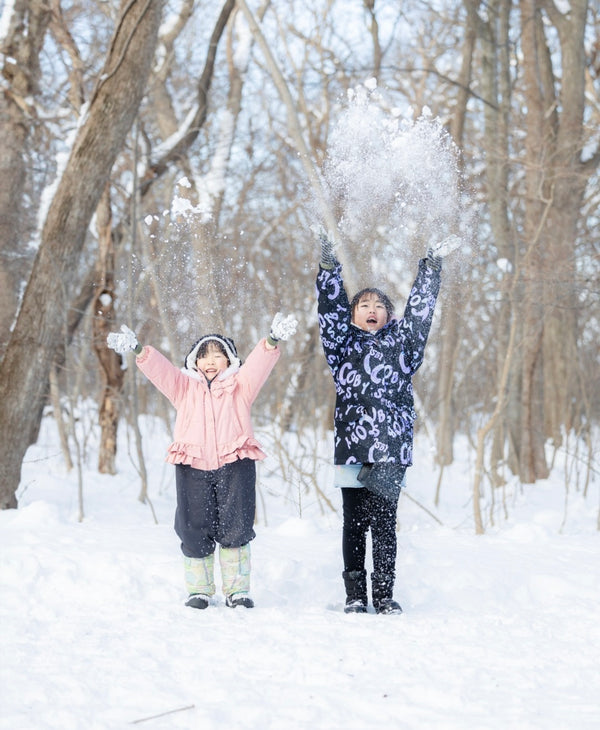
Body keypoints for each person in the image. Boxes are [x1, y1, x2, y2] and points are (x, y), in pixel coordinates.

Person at [107, 312, 297, 610]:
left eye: (218, 355)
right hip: (193, 466)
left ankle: (237, 591)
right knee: (193, 527)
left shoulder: (240, 387)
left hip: (234, 464)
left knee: (236, 527)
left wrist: (271, 340)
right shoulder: (184, 389)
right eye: (204, 355)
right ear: (194, 362)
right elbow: (162, 372)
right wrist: (138, 350)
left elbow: (259, 366)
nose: (210, 360)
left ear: (230, 361)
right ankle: (200, 590)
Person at [316, 233, 443, 615]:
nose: (371, 308)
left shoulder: (404, 347)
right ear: (353, 315)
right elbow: (329, 310)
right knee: (354, 523)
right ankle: (355, 595)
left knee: (384, 525)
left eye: (379, 305)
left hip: (390, 449)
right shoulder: (341, 347)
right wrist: (328, 269)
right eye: (363, 304)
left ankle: (384, 595)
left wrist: (431, 268)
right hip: (353, 449)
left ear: (389, 315)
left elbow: (421, 313)